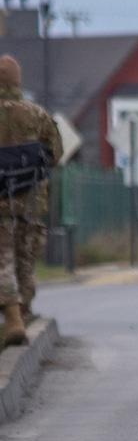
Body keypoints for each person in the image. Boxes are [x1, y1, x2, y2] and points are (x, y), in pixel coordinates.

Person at [0, 54, 63, 347]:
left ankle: (12, 317)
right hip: (30, 202)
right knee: (25, 259)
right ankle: (23, 312)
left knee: (3, 259)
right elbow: (55, 153)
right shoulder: (36, 114)